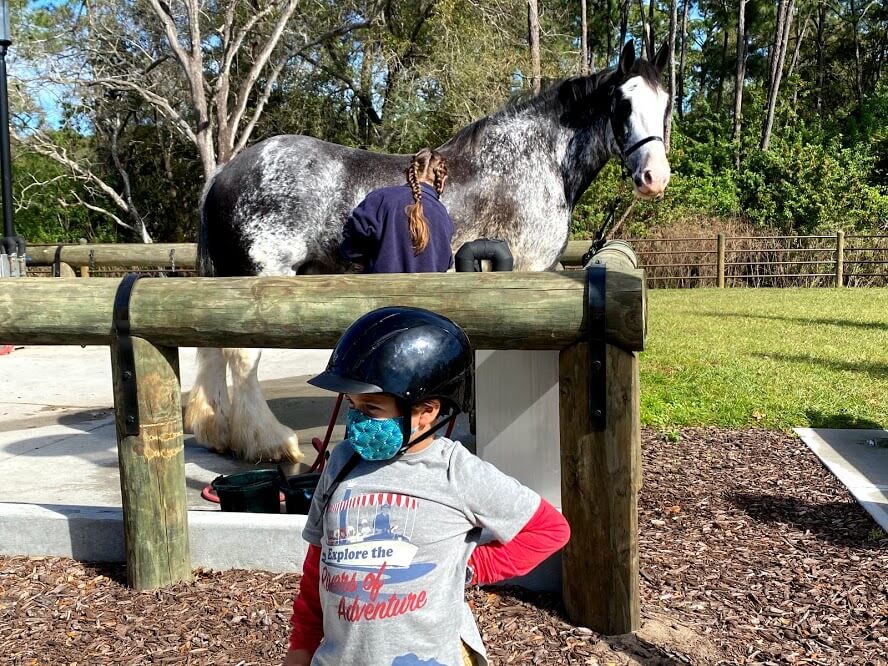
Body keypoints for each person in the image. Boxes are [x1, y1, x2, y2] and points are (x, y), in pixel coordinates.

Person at [284, 307, 571, 666]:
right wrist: (300, 651)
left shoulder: (457, 472)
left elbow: (549, 530)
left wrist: (470, 567)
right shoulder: (343, 462)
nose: (356, 421)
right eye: (353, 407)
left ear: (426, 411)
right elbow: (316, 568)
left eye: (371, 408)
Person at [340, 148, 454, 273]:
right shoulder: (445, 218)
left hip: (380, 289)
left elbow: (349, 248)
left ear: (410, 174)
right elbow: (445, 263)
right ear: (443, 181)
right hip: (427, 292)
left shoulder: (380, 199)